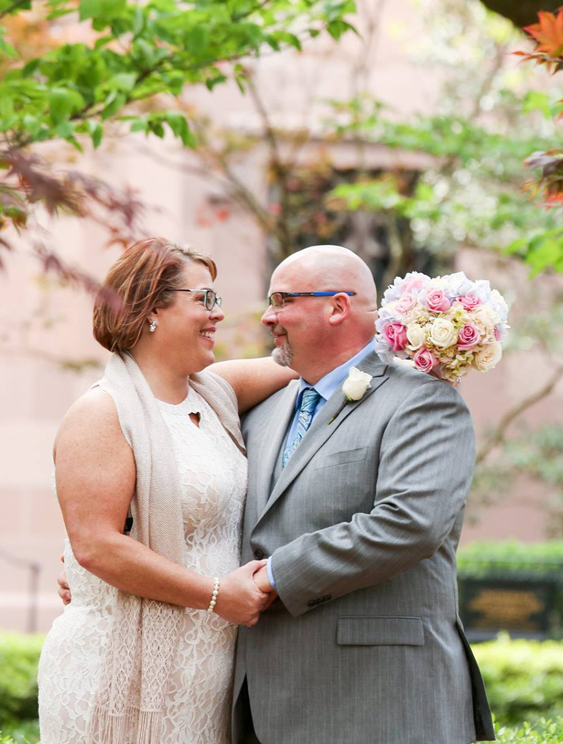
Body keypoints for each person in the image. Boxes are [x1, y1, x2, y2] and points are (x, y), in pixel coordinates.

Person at [232, 245, 495, 744]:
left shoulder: (423, 400)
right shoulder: (262, 411)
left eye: (282, 299)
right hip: (266, 703)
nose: (268, 316)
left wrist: (274, 576)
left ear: (337, 306)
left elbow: (409, 523)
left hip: (382, 700)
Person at [38, 238, 296, 744]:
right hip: (116, 671)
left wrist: (420, 329)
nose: (217, 315)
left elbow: (311, 359)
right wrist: (218, 595)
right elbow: (95, 546)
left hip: (206, 673)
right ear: (152, 307)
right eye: (205, 299)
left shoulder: (215, 390)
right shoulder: (102, 412)